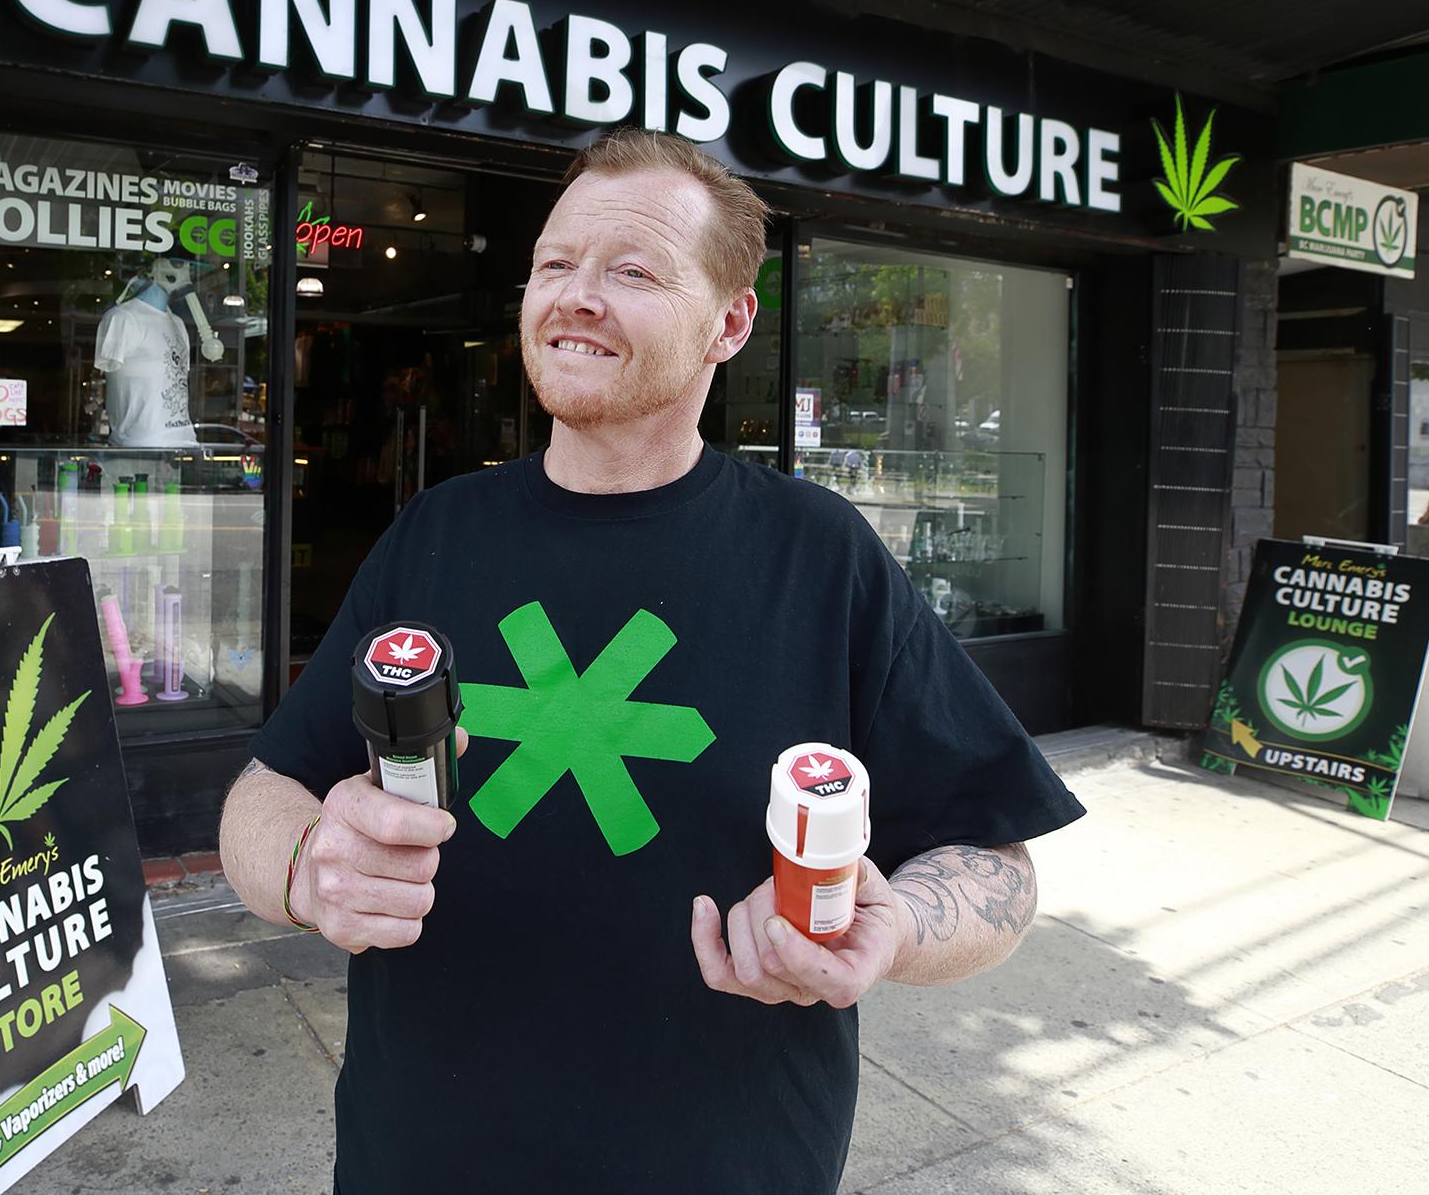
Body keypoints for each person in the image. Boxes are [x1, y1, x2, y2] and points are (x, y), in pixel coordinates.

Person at [218, 129, 1086, 1194]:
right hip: (419, 1160)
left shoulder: (818, 556)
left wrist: (894, 923)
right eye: (553, 263)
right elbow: (265, 794)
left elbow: (996, 862)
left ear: (728, 323)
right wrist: (307, 868)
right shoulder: (437, 531)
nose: (575, 295)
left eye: (629, 271)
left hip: (731, 1164)